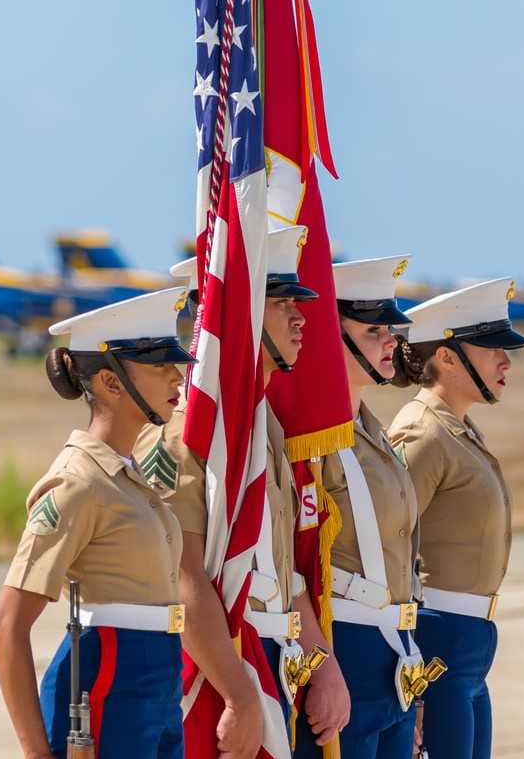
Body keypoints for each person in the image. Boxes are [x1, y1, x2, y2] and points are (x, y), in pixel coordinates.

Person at [135, 226, 352, 758]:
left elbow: (282, 571)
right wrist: (239, 695)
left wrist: (322, 661)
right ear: (237, 312)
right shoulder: (186, 435)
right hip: (220, 672)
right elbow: (185, 578)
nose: (302, 318)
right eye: (280, 304)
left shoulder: (263, 428)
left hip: (272, 664)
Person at [0, 287, 195, 759]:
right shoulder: (76, 482)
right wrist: (38, 752)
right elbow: (6, 625)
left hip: (157, 677)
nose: (177, 377)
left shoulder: (130, 473)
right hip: (109, 676)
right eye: (159, 364)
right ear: (111, 382)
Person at [386, 278, 524, 759]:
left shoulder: (458, 429)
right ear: (446, 357)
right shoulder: (422, 432)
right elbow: (389, 548)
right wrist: (413, 670)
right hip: (435, 639)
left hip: (468, 644)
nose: (506, 361)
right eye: (492, 349)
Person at [293, 255, 422, 758]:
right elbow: (293, 563)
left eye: (390, 329)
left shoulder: (376, 433)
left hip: (392, 652)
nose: (391, 340)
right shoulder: (309, 440)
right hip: (340, 644)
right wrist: (321, 663)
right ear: (331, 337)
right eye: (373, 331)